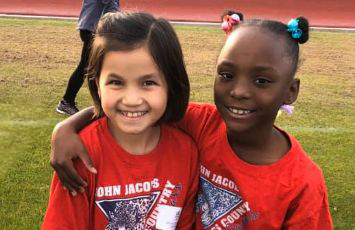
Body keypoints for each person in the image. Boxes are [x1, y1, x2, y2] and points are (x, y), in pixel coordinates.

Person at [49, 12, 334, 229]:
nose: (239, 91)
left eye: (261, 81)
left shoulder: (304, 183)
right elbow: (139, 109)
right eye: (227, 75)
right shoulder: (202, 124)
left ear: (291, 90)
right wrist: (69, 126)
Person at [43, 12, 199, 229]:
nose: (132, 100)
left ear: (171, 84)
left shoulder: (186, 152)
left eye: (148, 83)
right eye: (116, 82)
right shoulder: (79, 154)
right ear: (97, 84)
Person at [56, 0, 119, 115]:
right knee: (88, 67)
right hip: (94, 30)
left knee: (92, 67)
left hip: (94, 28)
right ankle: (68, 102)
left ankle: (98, 103)